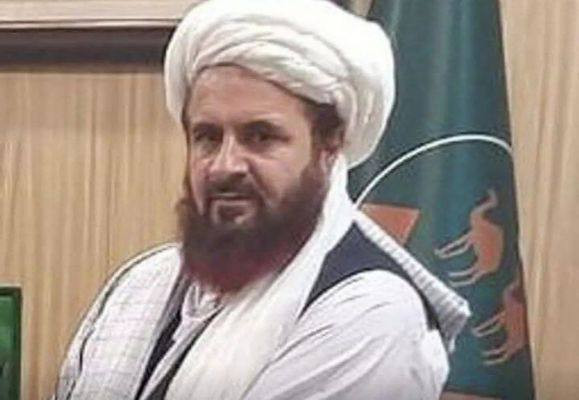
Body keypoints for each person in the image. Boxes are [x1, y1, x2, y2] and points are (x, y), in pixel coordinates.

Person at [53, 0, 470, 399]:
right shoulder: (139, 285)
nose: (224, 166)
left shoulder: (371, 313)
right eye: (207, 137)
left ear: (330, 145)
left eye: (260, 136)